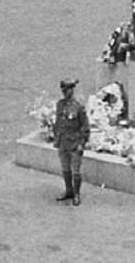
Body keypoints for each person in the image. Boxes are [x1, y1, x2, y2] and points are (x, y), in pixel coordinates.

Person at [52, 78, 90, 206]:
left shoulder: (78, 107)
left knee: (76, 171)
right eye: (63, 90)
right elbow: (58, 123)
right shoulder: (60, 105)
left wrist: (81, 144)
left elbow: (85, 128)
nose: (65, 92)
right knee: (65, 169)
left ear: (72, 90)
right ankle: (68, 190)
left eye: (67, 89)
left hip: (74, 144)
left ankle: (76, 193)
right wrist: (56, 139)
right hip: (63, 142)